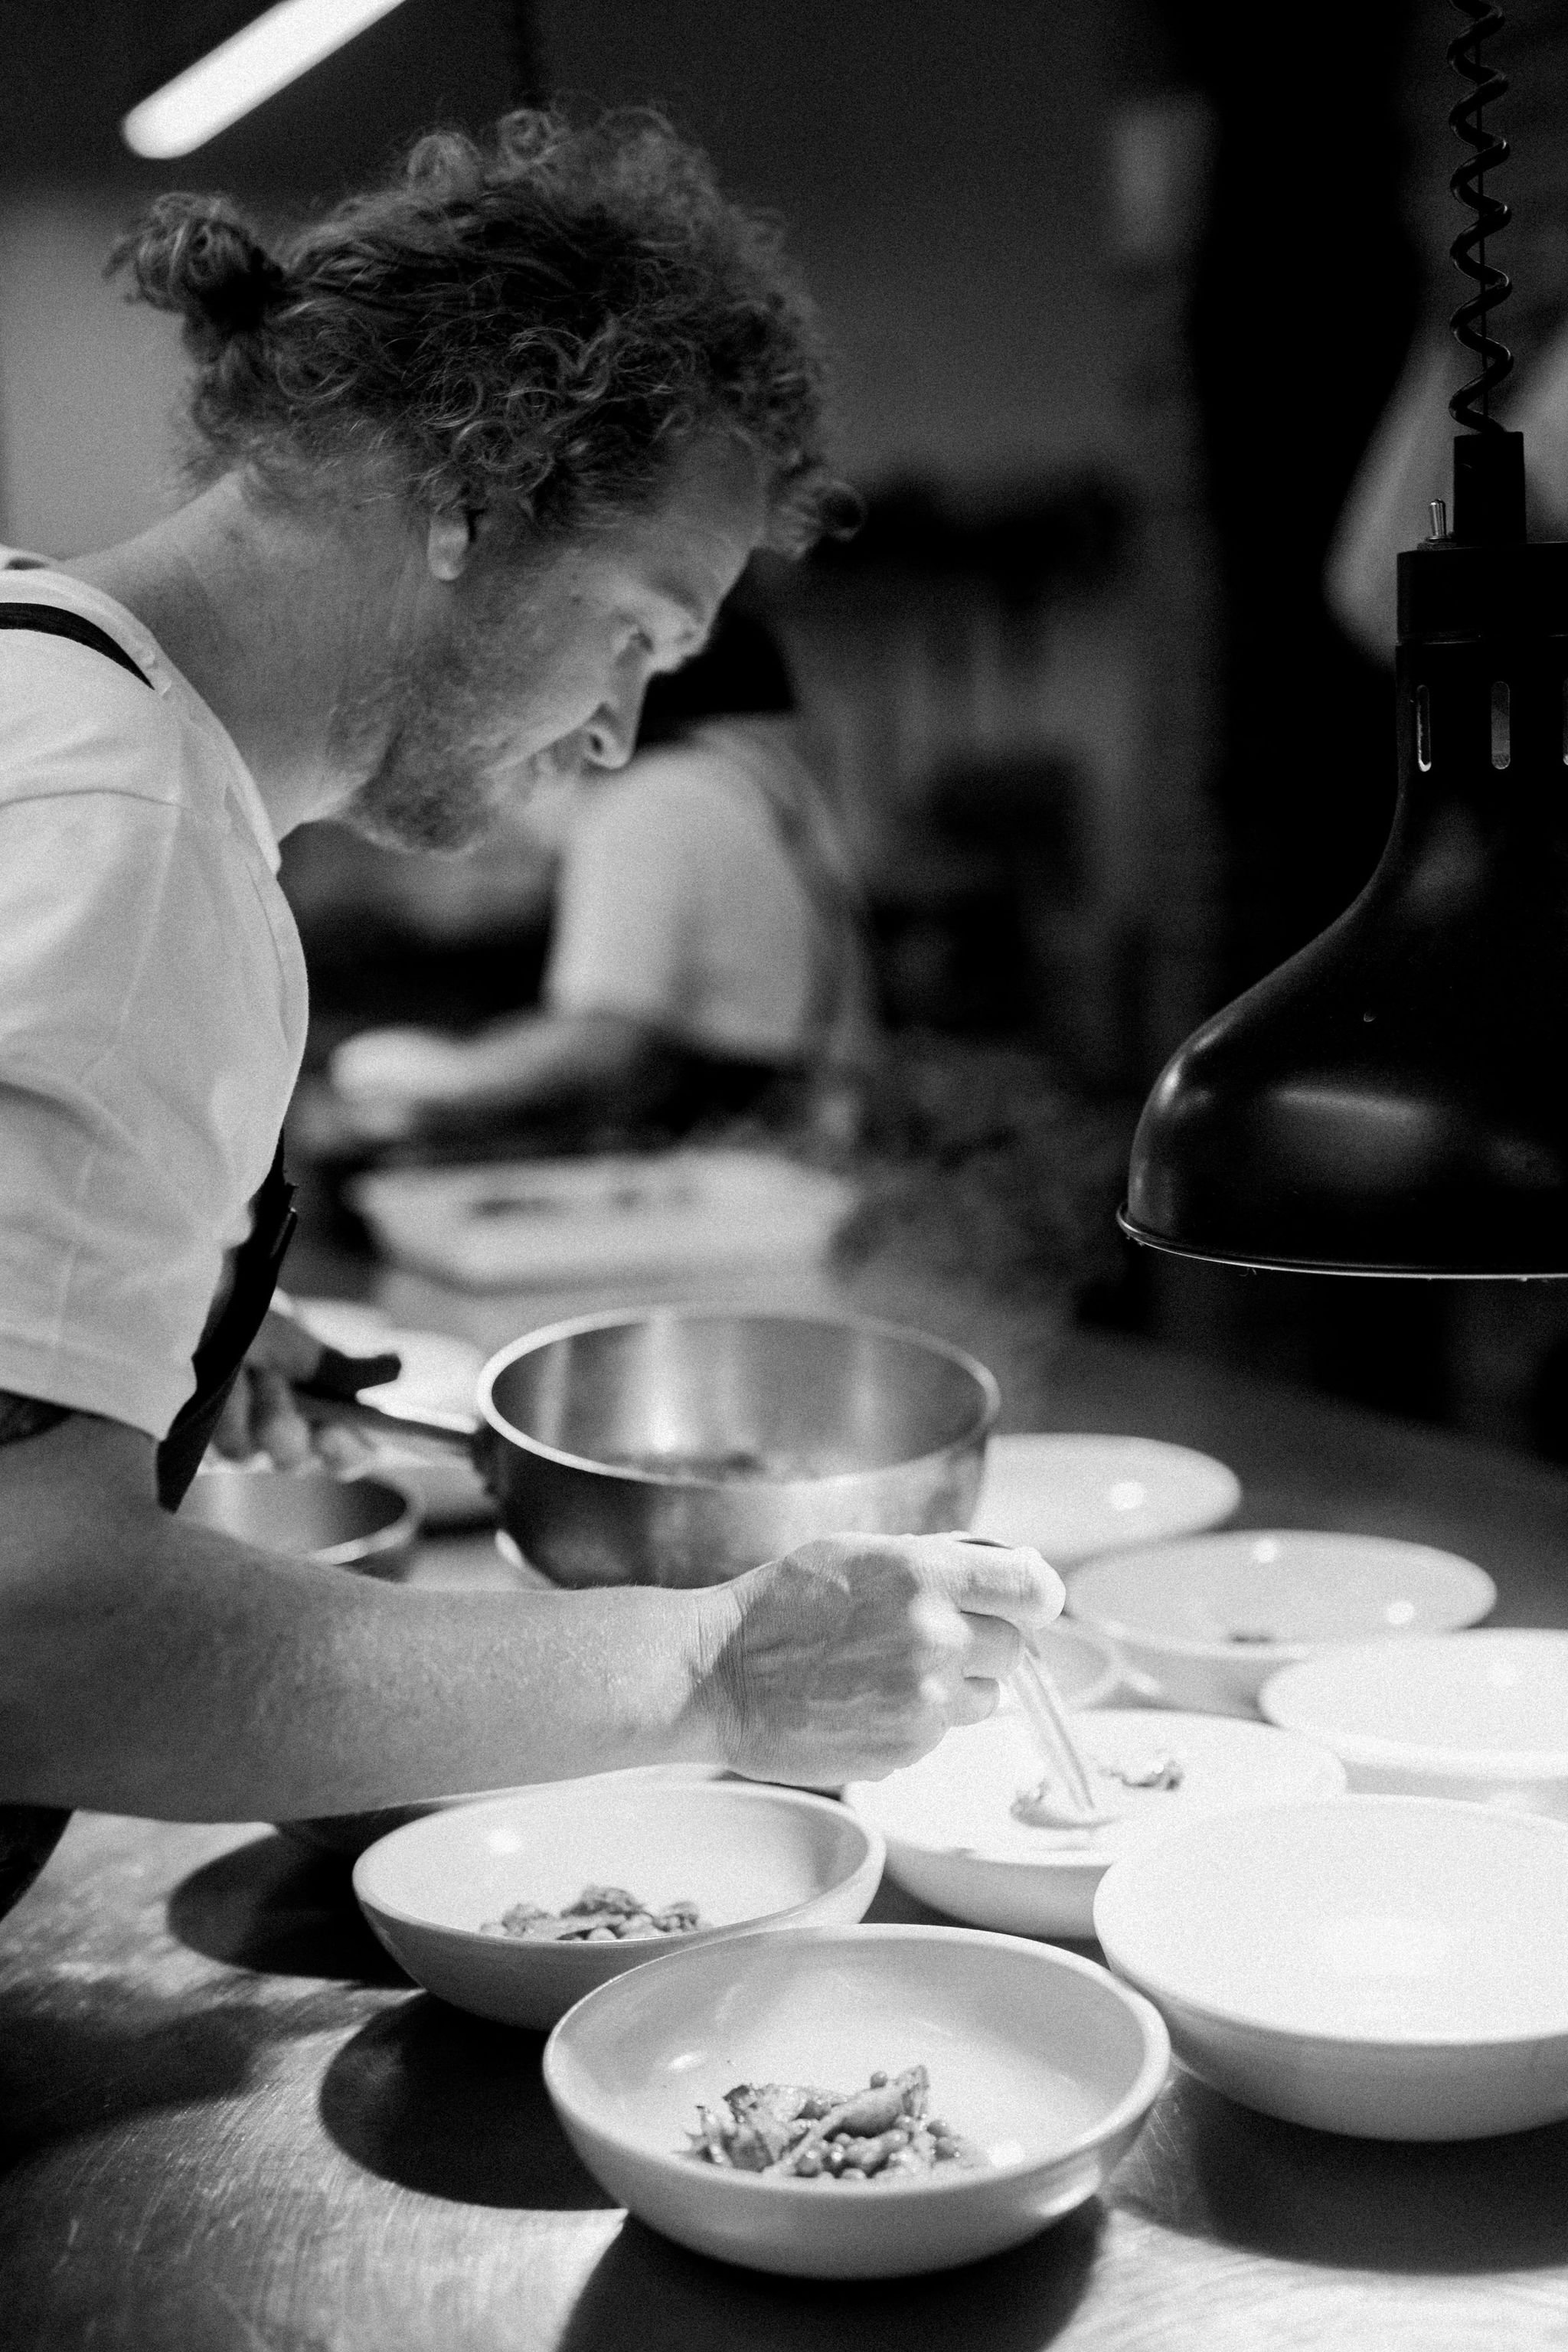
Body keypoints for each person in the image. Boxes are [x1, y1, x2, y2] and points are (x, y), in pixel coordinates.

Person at [0, 109, 1060, 1917]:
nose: (622, 732)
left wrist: (132, 1321)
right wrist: (714, 1665)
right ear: (472, 501)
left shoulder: (40, 674)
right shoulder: (126, 823)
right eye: (641, 632)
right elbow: (36, 1634)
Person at [319, 603, 877, 1149]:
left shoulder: (648, 804)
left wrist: (440, 1072)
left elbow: (602, 1044)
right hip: (803, 1137)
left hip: (738, 1163)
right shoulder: (736, 777)